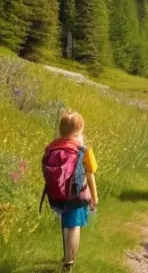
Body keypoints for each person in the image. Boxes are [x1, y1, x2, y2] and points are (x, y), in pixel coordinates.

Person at [41, 110, 99, 272]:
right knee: (74, 227)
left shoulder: (51, 147)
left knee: (66, 225)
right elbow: (90, 175)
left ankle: (66, 255)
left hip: (57, 195)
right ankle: (69, 262)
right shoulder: (83, 150)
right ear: (79, 132)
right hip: (76, 196)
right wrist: (95, 197)